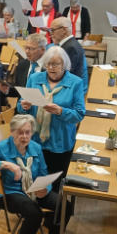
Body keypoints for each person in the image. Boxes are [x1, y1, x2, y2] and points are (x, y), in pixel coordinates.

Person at [16, 46, 85, 184]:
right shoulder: (35, 79)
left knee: (54, 184)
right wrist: (24, 106)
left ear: (64, 65)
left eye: (56, 64)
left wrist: (61, 111)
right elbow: (20, 106)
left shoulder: (75, 83)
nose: (52, 68)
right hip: (35, 141)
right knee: (35, 182)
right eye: (48, 64)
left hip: (60, 143)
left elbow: (79, 114)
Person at [49, 17, 88, 90]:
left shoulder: (70, 48)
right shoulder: (70, 44)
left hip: (68, 90)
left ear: (64, 30)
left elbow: (64, 74)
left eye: (53, 30)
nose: (51, 34)